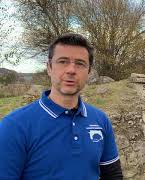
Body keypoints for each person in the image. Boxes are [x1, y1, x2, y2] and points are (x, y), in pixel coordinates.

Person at [0, 33, 123, 180]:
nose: (71, 70)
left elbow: (113, 175)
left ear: (89, 72)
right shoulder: (13, 126)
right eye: (63, 61)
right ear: (49, 68)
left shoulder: (100, 120)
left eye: (80, 63)